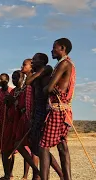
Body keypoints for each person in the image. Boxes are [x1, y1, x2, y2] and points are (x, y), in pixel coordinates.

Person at [40, 38, 76, 180]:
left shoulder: (64, 64)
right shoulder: (68, 63)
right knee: (62, 147)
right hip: (65, 110)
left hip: (57, 110)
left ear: (62, 48)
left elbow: (49, 88)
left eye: (54, 47)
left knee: (43, 146)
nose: (52, 50)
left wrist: (45, 88)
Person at [25, 53, 64, 180]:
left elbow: (48, 71)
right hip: (36, 111)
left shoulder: (47, 69)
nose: (32, 62)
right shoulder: (38, 74)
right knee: (37, 147)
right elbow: (28, 81)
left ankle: (55, 175)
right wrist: (37, 73)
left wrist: (40, 73)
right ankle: (42, 175)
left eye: (34, 60)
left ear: (42, 61)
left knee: (42, 147)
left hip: (44, 110)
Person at [6, 70, 40, 179]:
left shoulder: (26, 89)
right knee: (19, 146)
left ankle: (31, 175)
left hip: (26, 119)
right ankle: (36, 172)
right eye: (13, 78)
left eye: (16, 77)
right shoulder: (13, 91)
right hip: (17, 121)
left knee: (31, 148)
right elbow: (12, 107)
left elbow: (25, 105)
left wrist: (15, 102)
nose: (14, 80)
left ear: (22, 78)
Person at [0, 73, 14, 180]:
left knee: (9, 149)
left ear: (7, 80)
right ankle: (6, 173)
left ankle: (9, 174)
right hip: (1, 122)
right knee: (3, 149)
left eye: (2, 79)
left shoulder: (11, 91)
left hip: (9, 122)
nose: (0, 81)